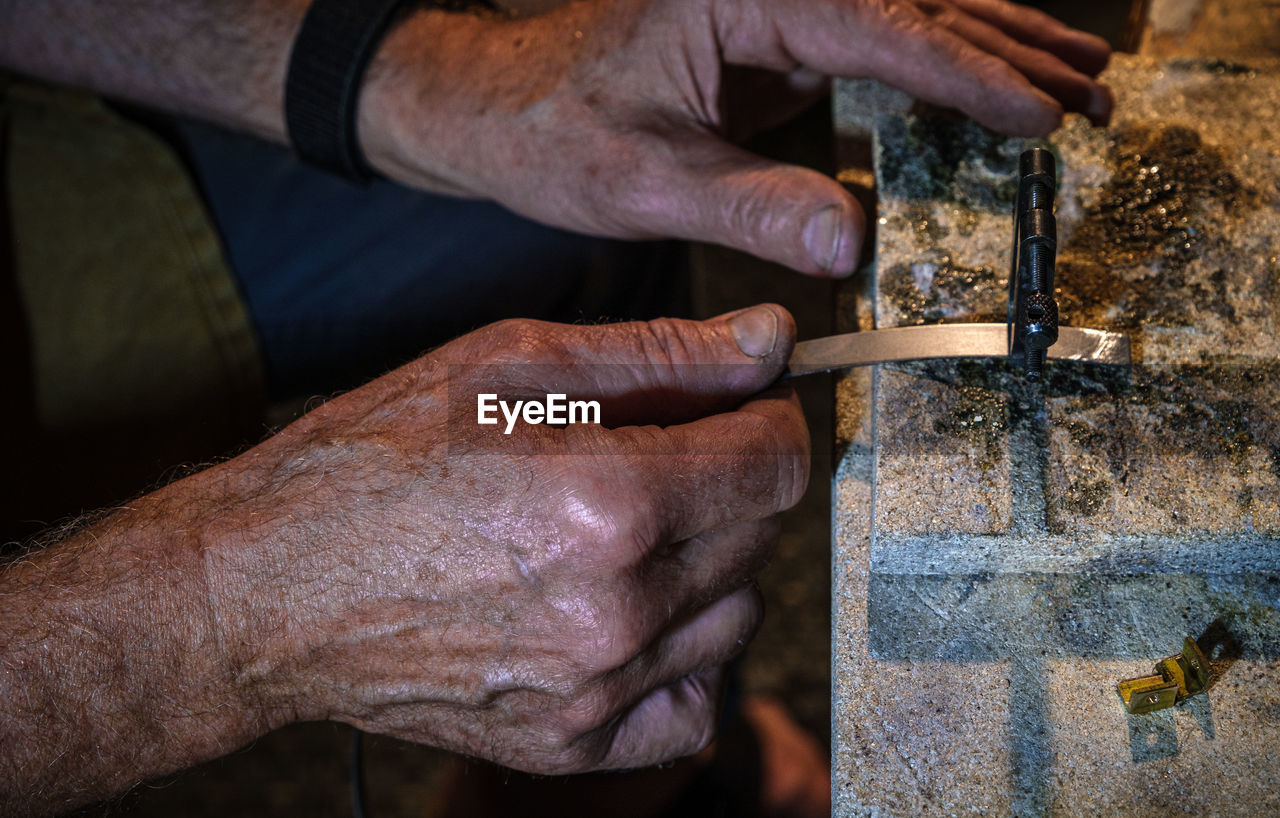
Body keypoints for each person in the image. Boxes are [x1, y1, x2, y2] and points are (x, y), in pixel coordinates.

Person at [0, 0, 1113, 814]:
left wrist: (419, 77)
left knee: (577, 277)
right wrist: (223, 612)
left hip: (56, 159)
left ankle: (600, 763)